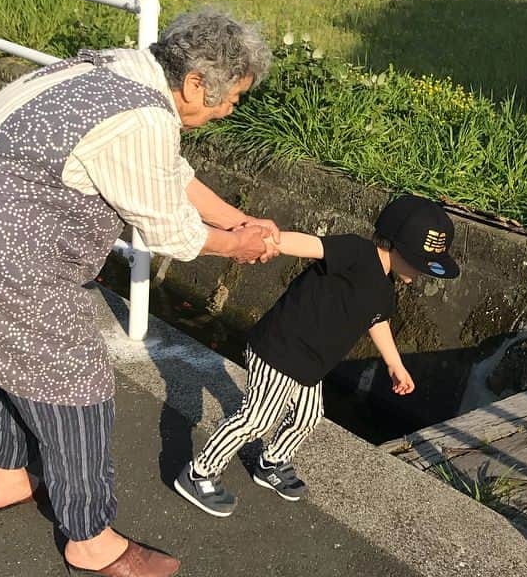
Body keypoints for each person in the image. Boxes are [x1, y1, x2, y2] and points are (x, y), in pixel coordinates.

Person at [0, 7, 279, 577]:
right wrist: (235, 245)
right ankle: (90, 538)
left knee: (13, 358)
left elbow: (171, 174)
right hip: (3, 251)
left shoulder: (117, 72)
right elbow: (171, 231)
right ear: (197, 82)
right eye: (232, 97)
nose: (231, 109)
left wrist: (241, 219)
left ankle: (8, 476)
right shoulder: (142, 118)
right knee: (77, 385)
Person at [174, 194, 460, 517]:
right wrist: (273, 240)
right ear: (394, 245)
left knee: (308, 417)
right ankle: (200, 473)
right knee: (257, 418)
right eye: (419, 264)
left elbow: (377, 321)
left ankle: (272, 462)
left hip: (310, 364)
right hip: (280, 349)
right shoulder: (357, 252)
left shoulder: (385, 288)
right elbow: (313, 245)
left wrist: (395, 364)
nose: (421, 274)